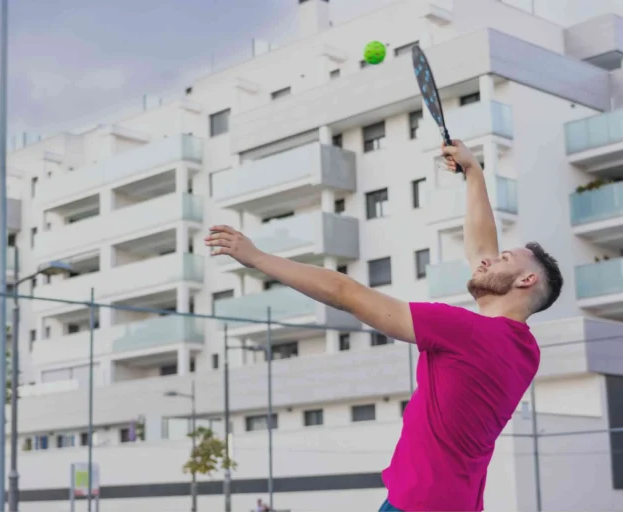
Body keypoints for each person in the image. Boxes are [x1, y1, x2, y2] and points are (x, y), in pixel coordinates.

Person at [204, 140, 563, 512]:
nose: (487, 262)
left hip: (418, 505)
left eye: (503, 260)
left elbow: (347, 293)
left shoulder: (464, 331)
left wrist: (258, 258)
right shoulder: (524, 351)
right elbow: (482, 246)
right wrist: (474, 173)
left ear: (525, 282)